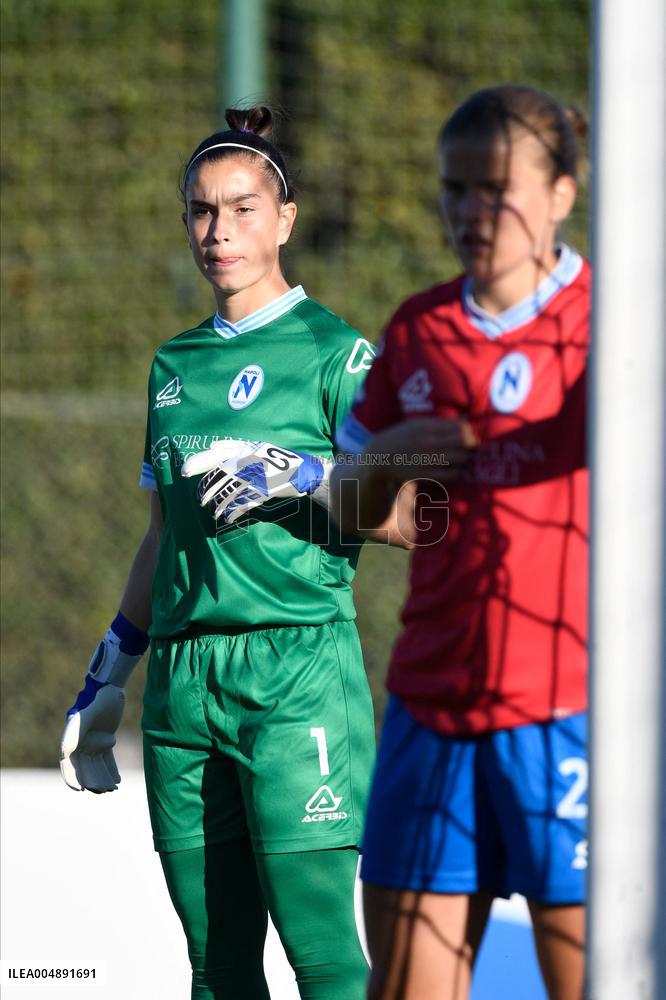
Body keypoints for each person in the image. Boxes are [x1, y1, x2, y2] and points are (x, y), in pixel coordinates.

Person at [59, 106, 379, 1000]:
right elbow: (162, 536)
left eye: (242, 209)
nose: (219, 231)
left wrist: (301, 475)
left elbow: (419, 513)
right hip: (184, 687)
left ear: (285, 218)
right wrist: (110, 671)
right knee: (217, 967)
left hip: (298, 671)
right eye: (202, 211)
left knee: (322, 958)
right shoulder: (173, 365)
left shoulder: (340, 355)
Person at [330, 84, 589, 1000]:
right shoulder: (419, 327)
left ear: (563, 191)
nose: (472, 212)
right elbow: (347, 508)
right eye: (454, 189)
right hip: (432, 705)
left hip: (571, 711)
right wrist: (402, 456)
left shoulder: (612, 327)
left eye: (496, 188)